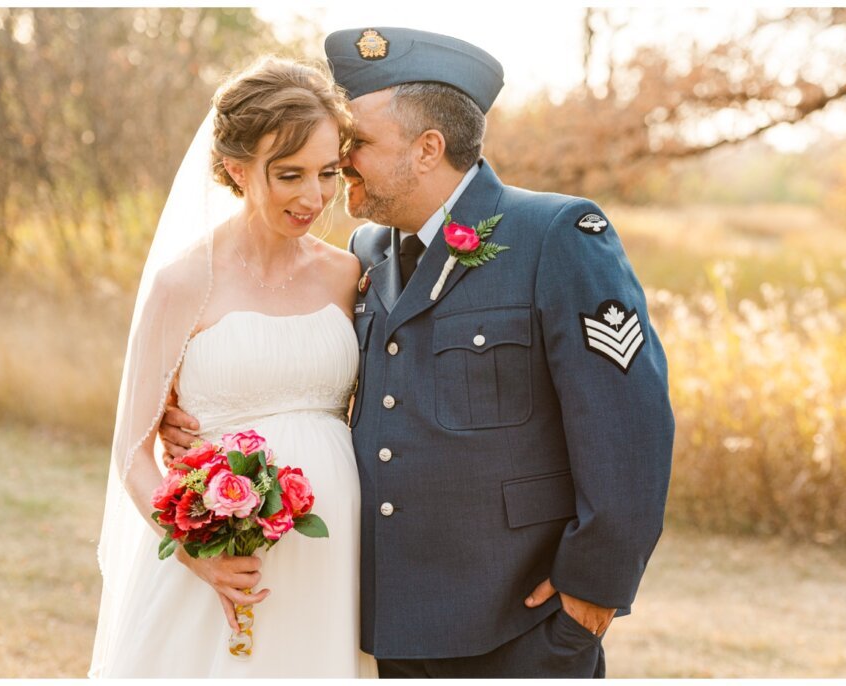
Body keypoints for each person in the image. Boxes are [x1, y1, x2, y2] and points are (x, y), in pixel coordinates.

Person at [162, 26, 674, 679]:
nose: (339, 161)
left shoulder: (556, 235)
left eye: (359, 144)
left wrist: (592, 592)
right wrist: (192, 414)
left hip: (520, 622)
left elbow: (628, 426)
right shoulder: (366, 254)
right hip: (391, 621)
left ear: (428, 149)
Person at [89, 55, 377, 677]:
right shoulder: (184, 282)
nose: (313, 197)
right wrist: (199, 555)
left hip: (332, 559)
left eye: (327, 172)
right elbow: (133, 447)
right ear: (235, 168)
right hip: (223, 557)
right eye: (289, 174)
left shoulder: (347, 275)